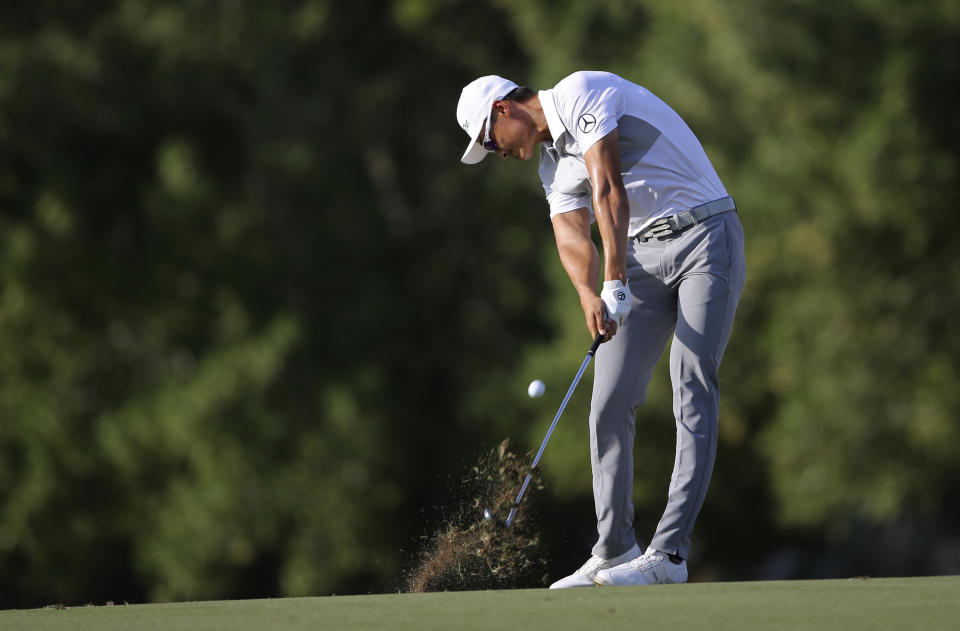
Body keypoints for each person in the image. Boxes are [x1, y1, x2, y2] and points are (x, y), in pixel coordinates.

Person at [456, 71, 746, 588]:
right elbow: (570, 231)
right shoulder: (550, 164)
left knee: (690, 382)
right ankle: (614, 548)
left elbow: (608, 188)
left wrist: (612, 276)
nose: (495, 153)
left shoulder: (580, 92)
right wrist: (589, 293)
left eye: (488, 140)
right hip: (639, 259)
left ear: (504, 109)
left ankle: (670, 555)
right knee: (608, 399)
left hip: (705, 235)